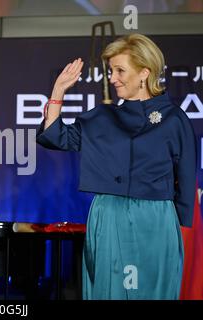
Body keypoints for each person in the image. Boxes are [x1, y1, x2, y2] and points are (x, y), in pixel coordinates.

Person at [37, 34, 196, 299]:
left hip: (156, 220)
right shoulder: (103, 117)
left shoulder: (174, 119)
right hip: (109, 216)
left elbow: (187, 179)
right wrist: (58, 92)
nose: (112, 78)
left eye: (120, 70)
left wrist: (179, 229)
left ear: (145, 72)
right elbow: (55, 137)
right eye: (111, 71)